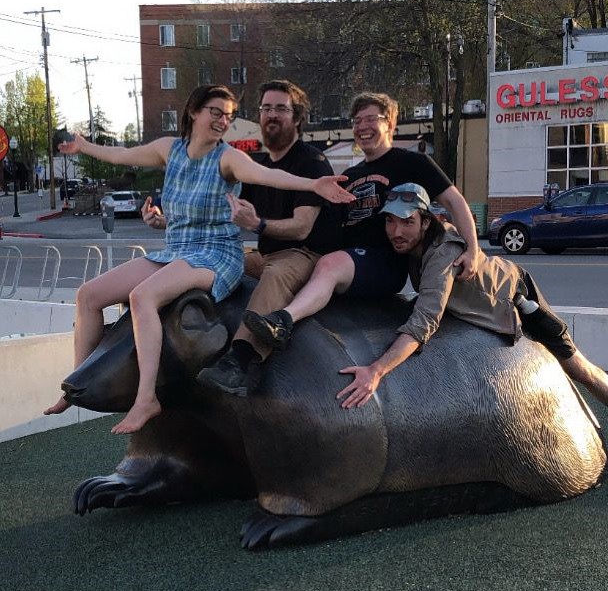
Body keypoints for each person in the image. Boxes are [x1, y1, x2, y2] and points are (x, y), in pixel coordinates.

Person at [43, 84, 354, 434]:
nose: (223, 121)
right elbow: (123, 155)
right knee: (88, 295)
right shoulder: (168, 150)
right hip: (176, 248)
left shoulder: (228, 158)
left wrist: (313, 185)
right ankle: (76, 384)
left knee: (143, 296)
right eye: (216, 113)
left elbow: (268, 175)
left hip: (215, 253)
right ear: (194, 112)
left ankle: (146, 398)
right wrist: (84, 146)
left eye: (229, 116)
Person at [334, 182, 608, 467]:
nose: (396, 231)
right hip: (463, 307)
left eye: (406, 222)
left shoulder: (443, 253)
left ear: (426, 222)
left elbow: (425, 319)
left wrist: (376, 370)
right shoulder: (408, 248)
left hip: (514, 296)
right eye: (390, 222)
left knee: (577, 367)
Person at [241, 91, 479, 359]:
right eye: (356, 121)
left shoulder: (412, 162)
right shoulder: (349, 175)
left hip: (382, 263)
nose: (362, 127)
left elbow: (455, 202)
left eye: (371, 119)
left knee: (330, 264)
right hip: (348, 261)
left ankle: (283, 321)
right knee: (248, 264)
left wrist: (472, 249)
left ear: (389, 123)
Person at [192, 80, 341, 395]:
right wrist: (165, 222)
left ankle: (240, 361)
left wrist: (258, 225)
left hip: (305, 254)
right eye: (266, 108)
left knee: (275, 275)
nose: (272, 115)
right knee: (218, 266)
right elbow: (218, 211)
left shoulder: (311, 162)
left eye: (281, 109)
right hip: (266, 254)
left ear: (297, 118)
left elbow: (301, 228)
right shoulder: (258, 166)